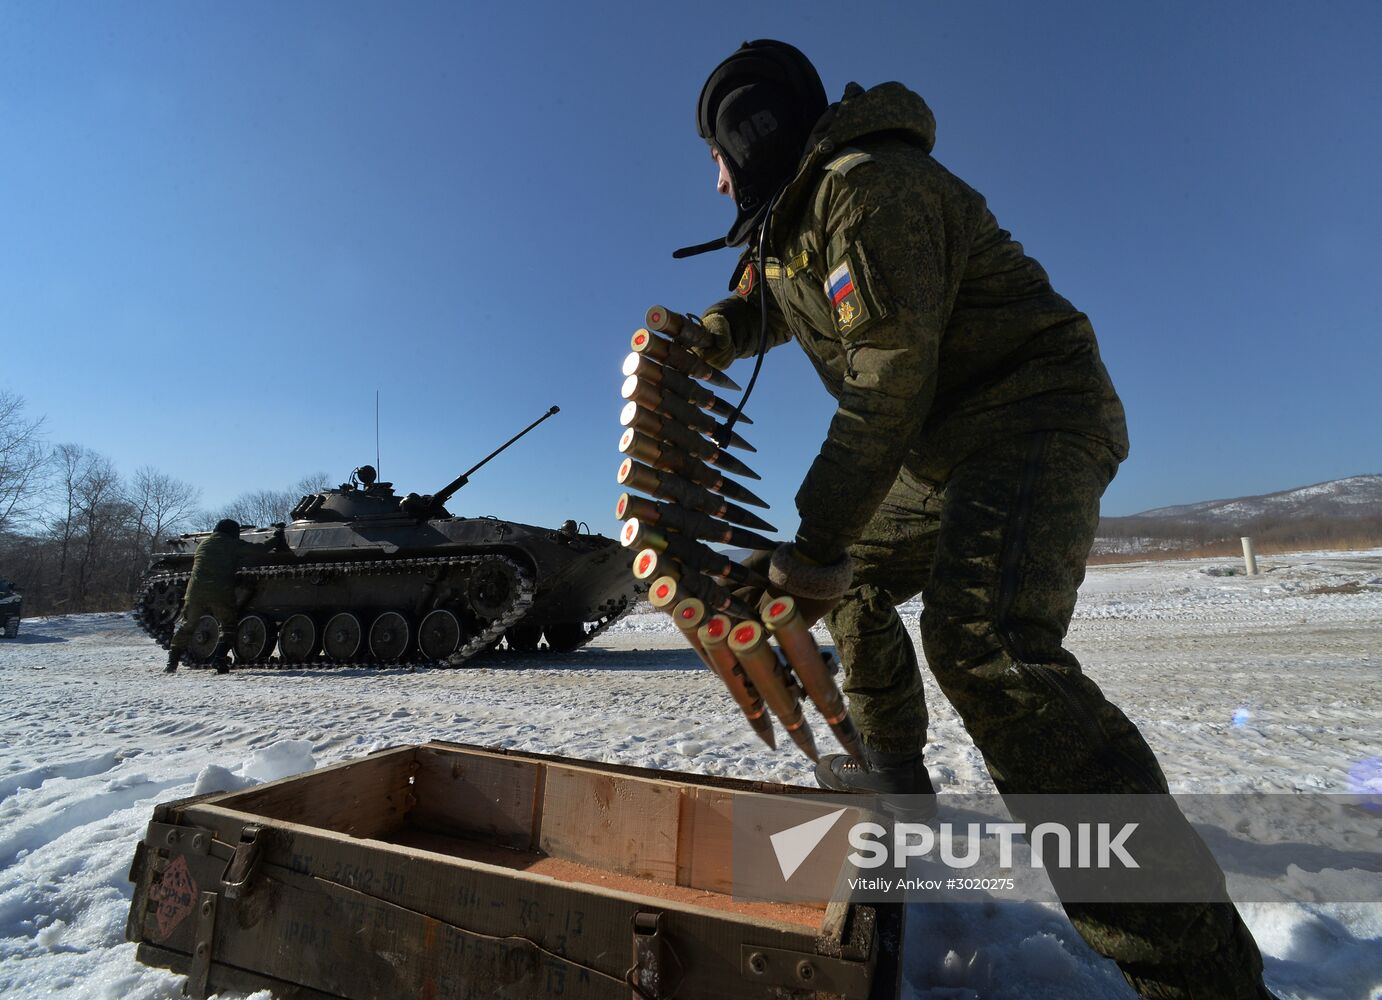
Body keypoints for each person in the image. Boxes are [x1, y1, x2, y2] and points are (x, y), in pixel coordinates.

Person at [678, 40, 1276, 1000]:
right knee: (860, 588)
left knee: (984, 642)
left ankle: (1199, 976)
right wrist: (716, 331)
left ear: (751, 134)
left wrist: (813, 543)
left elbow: (884, 386)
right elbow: (779, 305)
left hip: (1033, 408)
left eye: (717, 156)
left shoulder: (869, 189)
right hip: (943, 450)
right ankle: (898, 799)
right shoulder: (795, 223)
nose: (715, 185)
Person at [165, 519, 285, 673]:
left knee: (188, 626)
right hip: (219, 592)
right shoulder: (230, 544)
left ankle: (171, 663)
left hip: (195, 592)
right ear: (232, 533)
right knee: (228, 626)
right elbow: (259, 550)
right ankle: (219, 660)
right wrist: (277, 537)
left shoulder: (204, 544)